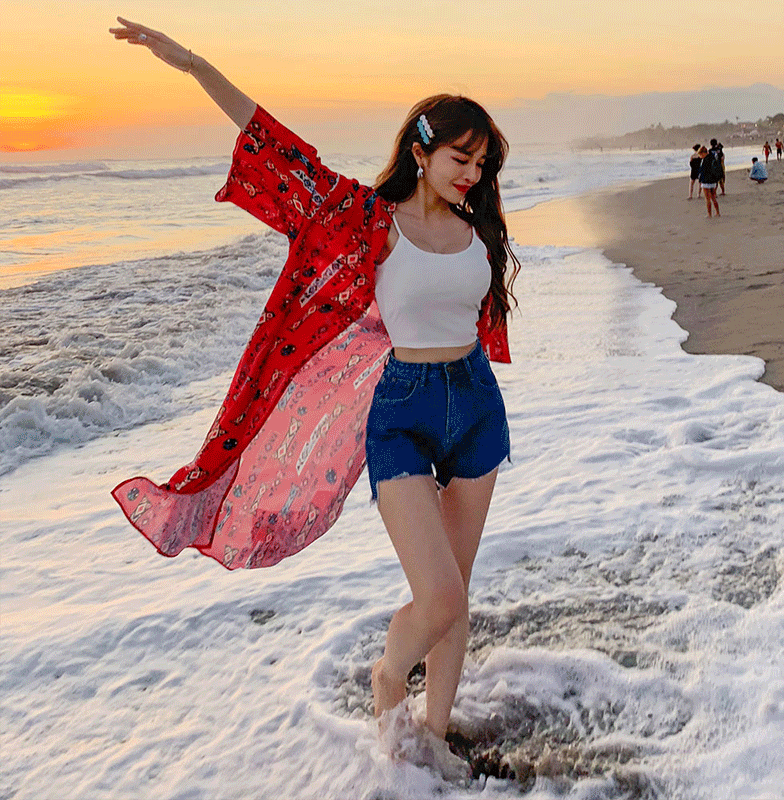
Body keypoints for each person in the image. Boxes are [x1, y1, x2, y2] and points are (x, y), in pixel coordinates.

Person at [109, 17, 519, 779]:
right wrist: (195, 63)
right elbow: (280, 151)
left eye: (480, 162)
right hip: (402, 413)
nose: (471, 174)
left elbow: (477, 317)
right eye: (459, 159)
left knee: (457, 596)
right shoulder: (366, 220)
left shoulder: (478, 228)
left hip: (477, 407)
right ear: (421, 151)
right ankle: (389, 682)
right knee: (434, 598)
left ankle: (434, 737)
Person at [697, 146, 721, 217]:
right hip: (713, 181)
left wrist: (700, 180)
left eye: (700, 154)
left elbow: (702, 171)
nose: (700, 156)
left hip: (706, 181)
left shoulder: (704, 160)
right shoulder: (712, 158)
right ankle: (717, 212)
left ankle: (709, 214)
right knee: (713, 198)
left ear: (703, 153)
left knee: (707, 199)